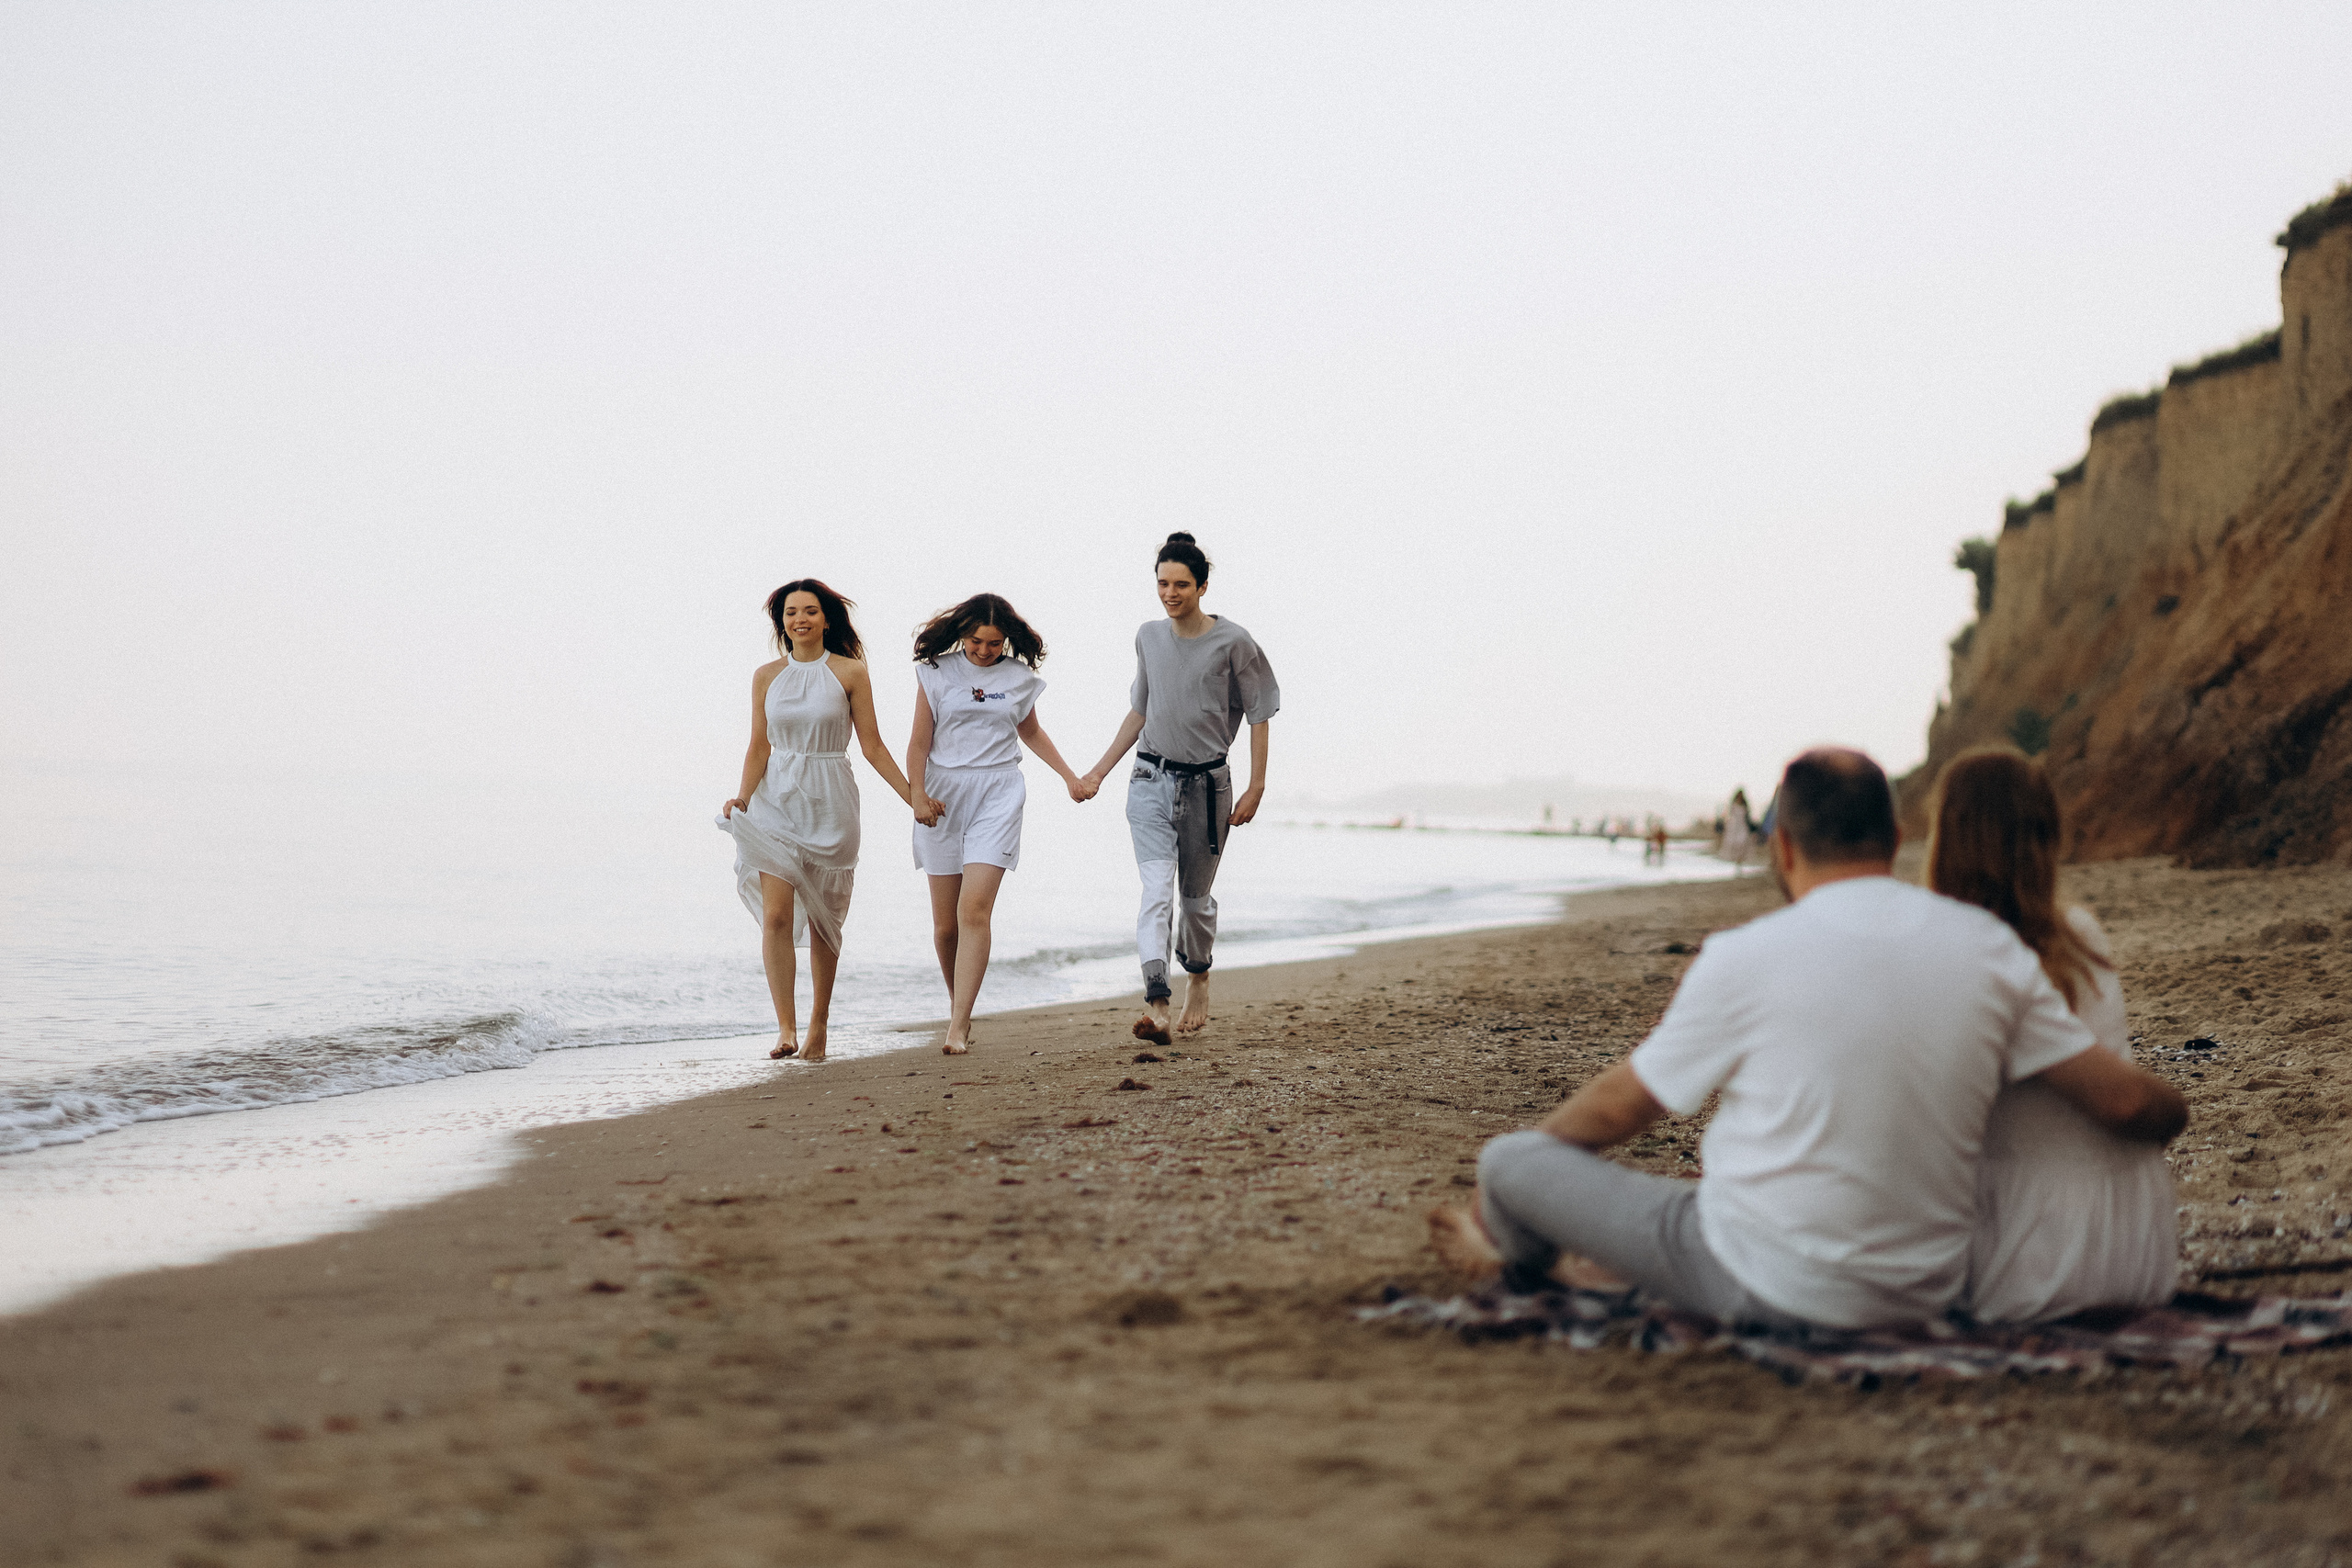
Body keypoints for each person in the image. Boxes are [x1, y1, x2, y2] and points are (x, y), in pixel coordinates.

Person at [1428, 748, 2188, 1332]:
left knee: (1511, 1160)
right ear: (1895, 837)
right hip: (1925, 1286)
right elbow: (2124, 1099)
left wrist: (1538, 1161)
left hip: (1770, 1284)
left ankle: (1509, 1249)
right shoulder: (1987, 946)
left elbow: (1621, 1105)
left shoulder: (1745, 955)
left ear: (1783, 847)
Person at [1930, 747, 2180, 1322]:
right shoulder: (2080, 934)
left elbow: (2123, 1102)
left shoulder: (1961, 957)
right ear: (2047, 839)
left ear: (1947, 842)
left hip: (2041, 1253)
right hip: (2131, 1235)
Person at [718, 580, 942, 1063]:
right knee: (776, 916)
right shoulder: (765, 676)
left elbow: (873, 745)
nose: (800, 619)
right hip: (775, 801)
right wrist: (743, 797)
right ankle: (786, 1028)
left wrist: (915, 798)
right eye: (791, 612)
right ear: (782, 622)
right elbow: (759, 745)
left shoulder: (849, 671)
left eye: (810, 611)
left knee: (825, 919)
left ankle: (818, 1024)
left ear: (826, 620)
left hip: (831, 801)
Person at [1077, 533, 1279, 1045]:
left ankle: (1199, 974)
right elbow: (1140, 711)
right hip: (1149, 778)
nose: (1170, 593)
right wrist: (1098, 772)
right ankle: (1157, 1003)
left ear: (1202, 586)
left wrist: (1256, 786)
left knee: (1194, 901)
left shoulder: (1234, 642)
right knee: (1155, 891)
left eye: (1181, 585)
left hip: (1208, 787)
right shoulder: (1148, 636)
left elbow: (1259, 713)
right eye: (1163, 583)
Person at [905, 593, 1089, 1056]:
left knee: (974, 911)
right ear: (961, 635)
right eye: (975, 641)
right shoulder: (936, 672)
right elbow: (919, 743)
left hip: (999, 793)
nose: (984, 651)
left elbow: (1031, 732)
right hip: (943, 796)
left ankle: (958, 1025)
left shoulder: (1018, 678)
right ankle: (959, 1006)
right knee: (946, 927)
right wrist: (917, 795)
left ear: (1006, 639)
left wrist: (1069, 776)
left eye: (994, 643)